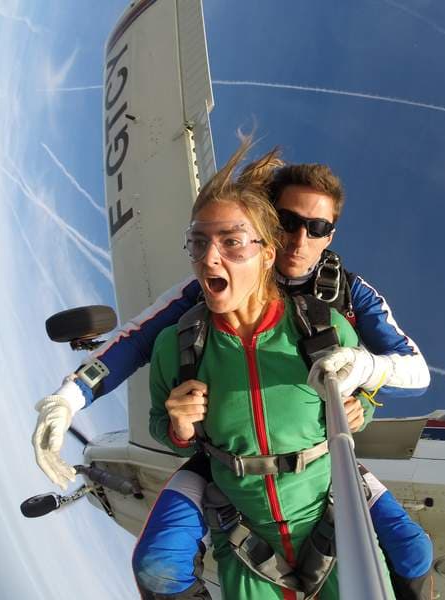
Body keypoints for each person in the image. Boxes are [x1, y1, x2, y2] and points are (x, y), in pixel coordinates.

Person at [32, 149, 433, 598]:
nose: (300, 239)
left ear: (330, 235)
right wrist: (70, 397)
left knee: (413, 553)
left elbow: (416, 371)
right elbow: (139, 337)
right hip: (224, 456)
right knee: (158, 562)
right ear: (267, 225)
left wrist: (364, 379)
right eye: (287, 221)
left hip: (317, 449)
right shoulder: (205, 296)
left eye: (316, 227)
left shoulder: (345, 297)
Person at [134, 140, 395, 599]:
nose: (208, 259)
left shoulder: (324, 327)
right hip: (244, 537)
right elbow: (161, 425)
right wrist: (176, 427)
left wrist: (362, 409)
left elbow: (368, 393)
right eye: (198, 243)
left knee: (412, 552)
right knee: (156, 566)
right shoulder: (175, 347)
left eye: (232, 243)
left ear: (265, 253)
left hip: (330, 523)